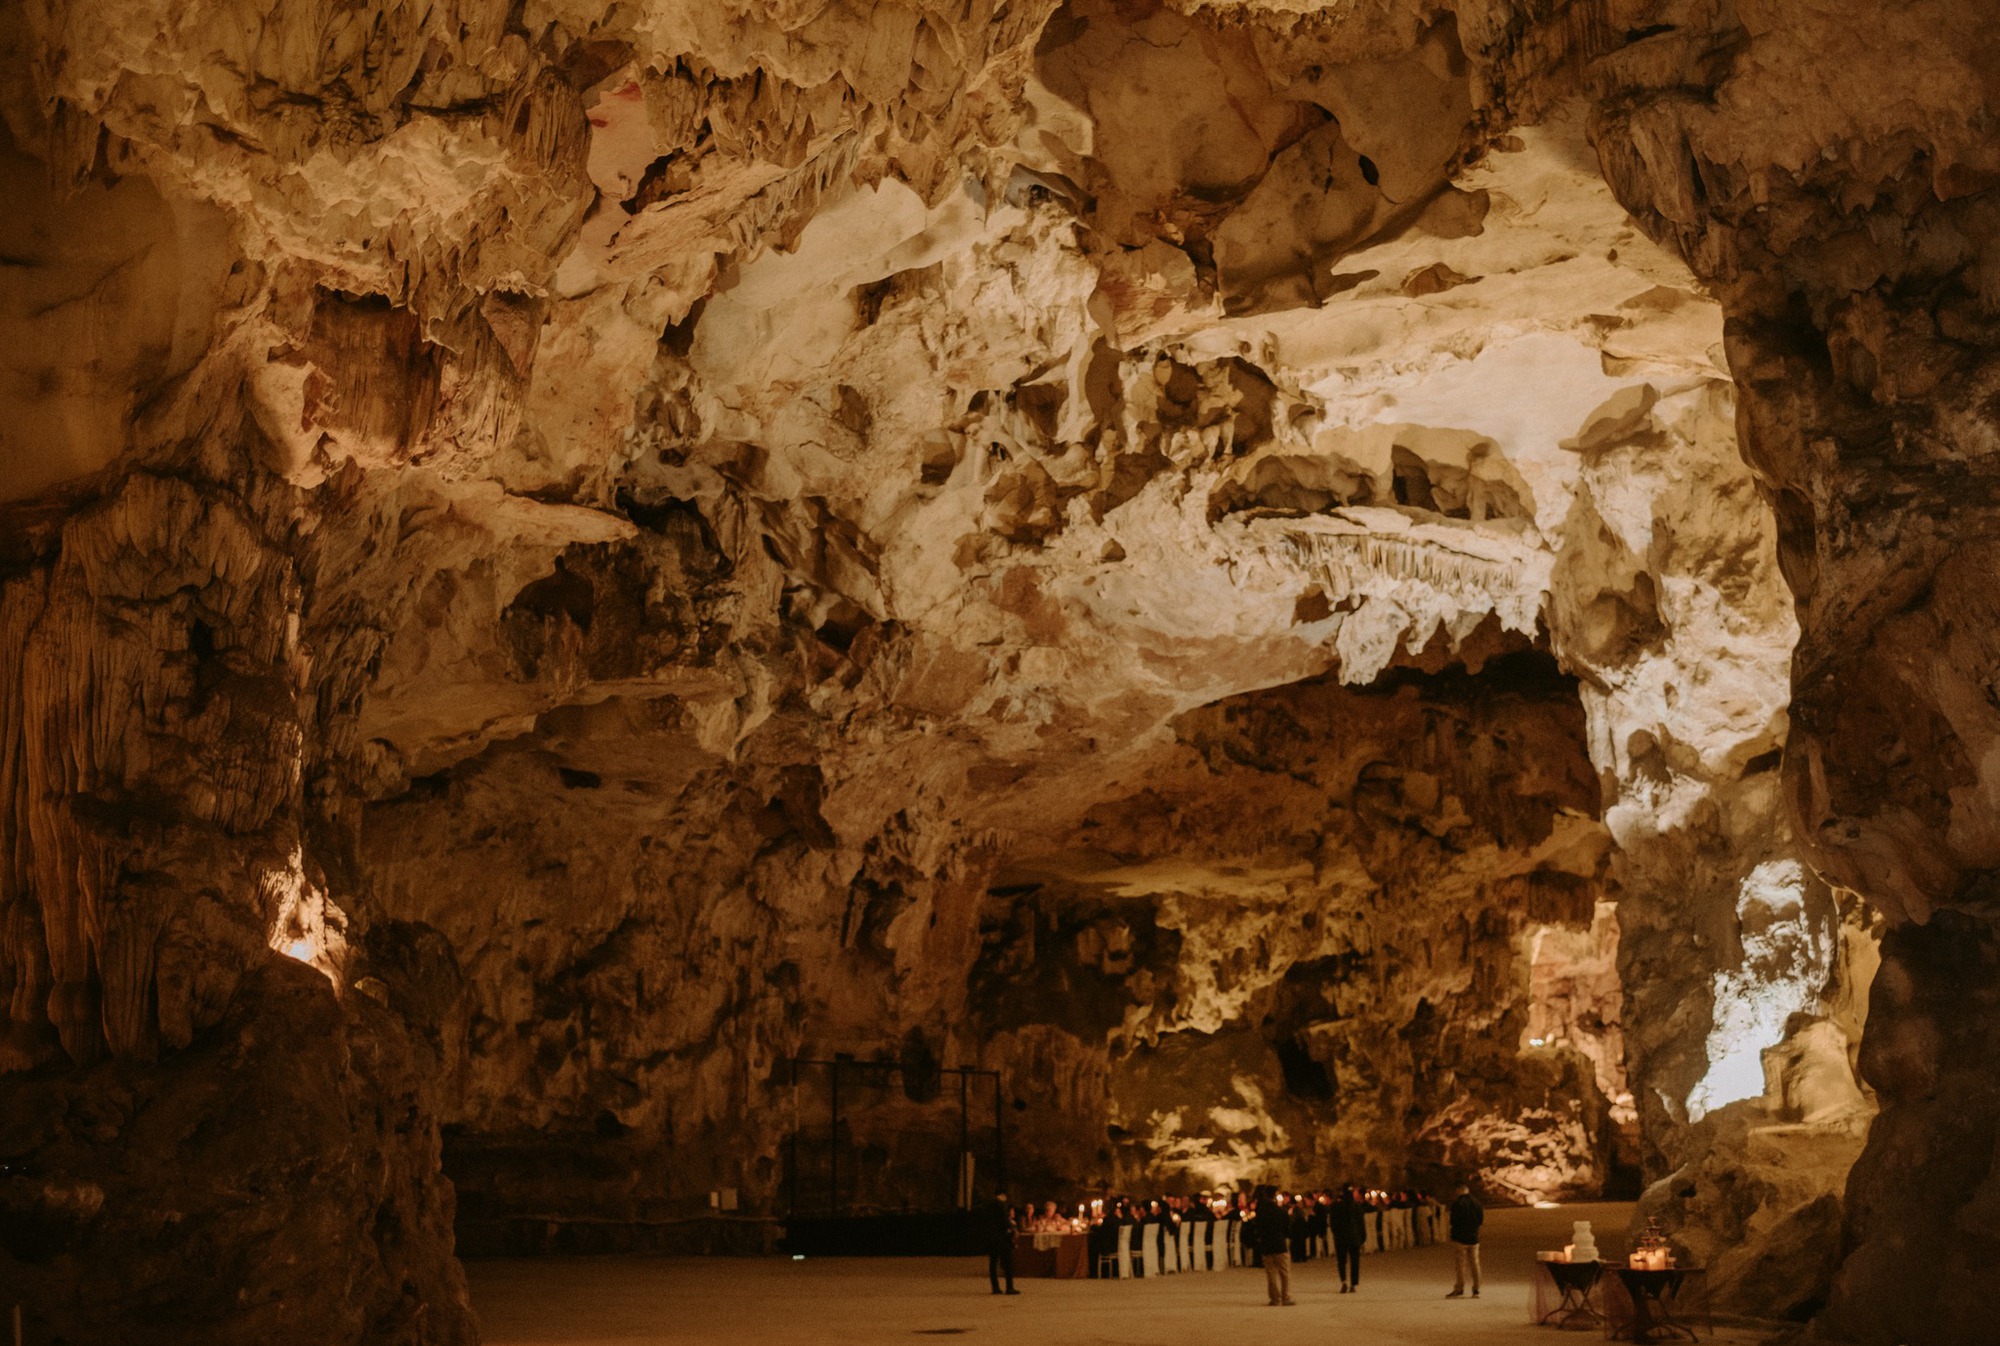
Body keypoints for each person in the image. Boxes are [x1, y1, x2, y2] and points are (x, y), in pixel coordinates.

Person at [1251, 1187, 1294, 1306]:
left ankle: (1274, 1298)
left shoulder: (1260, 1212)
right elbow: (1287, 1229)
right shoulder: (1281, 1211)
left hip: (1266, 1244)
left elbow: (1257, 1228)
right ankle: (1285, 1297)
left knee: (1271, 1274)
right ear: (1275, 1196)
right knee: (1284, 1273)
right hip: (1279, 1244)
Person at [1446, 1184, 1483, 1299]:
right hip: (1474, 1238)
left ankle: (1459, 1288)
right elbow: (1480, 1220)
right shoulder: (1477, 1202)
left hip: (1460, 1238)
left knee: (1460, 1265)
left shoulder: (1457, 1204)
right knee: (1475, 1264)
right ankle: (1476, 1288)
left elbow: (1453, 1221)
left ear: (1459, 1190)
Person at [983, 1191, 1020, 1295]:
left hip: (991, 1238)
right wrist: (1012, 1229)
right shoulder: (1001, 1205)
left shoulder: (988, 1205)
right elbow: (1004, 1221)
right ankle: (1009, 1287)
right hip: (1002, 1238)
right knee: (1008, 1263)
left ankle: (995, 1287)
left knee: (993, 1263)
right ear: (1003, 1196)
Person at [1332, 1186, 1367, 1293]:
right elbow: (1361, 1223)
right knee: (1354, 1261)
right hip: (1354, 1237)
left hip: (1341, 1238)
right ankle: (1353, 1284)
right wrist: (1362, 1237)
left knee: (1342, 1261)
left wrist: (1336, 1234)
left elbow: (1333, 1223)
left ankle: (1344, 1282)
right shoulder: (1357, 1206)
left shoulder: (1336, 1206)